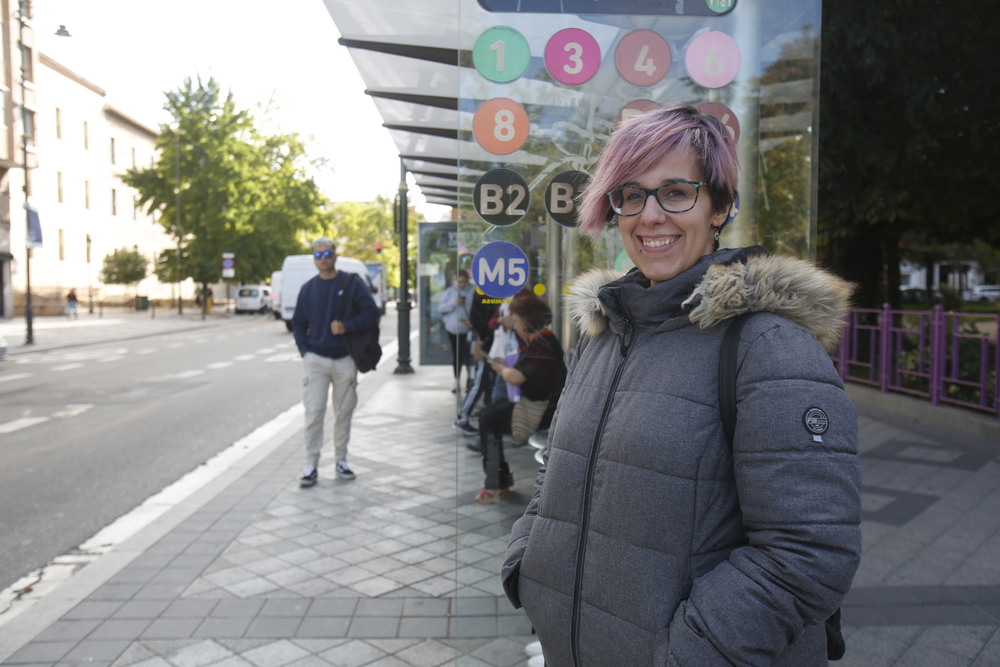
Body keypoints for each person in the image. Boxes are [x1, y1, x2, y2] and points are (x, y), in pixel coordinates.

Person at [502, 106, 861, 664]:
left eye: (676, 192)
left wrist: (686, 652)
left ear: (719, 207)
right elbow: (560, 469)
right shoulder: (604, 334)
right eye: (631, 194)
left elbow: (810, 551)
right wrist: (529, 566)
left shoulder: (767, 346)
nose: (650, 216)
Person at [292, 237, 380, 486]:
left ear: (335, 255)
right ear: (314, 258)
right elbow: (298, 322)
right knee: (314, 412)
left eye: (327, 253)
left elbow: (371, 313)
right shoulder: (308, 289)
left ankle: (341, 460)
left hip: (345, 359)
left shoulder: (351, 284)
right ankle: (311, 464)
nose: (323, 259)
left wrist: (347, 326)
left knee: (343, 413)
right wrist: (305, 351)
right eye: (318, 255)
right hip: (316, 360)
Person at [475, 293, 566, 504]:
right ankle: (498, 479)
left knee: (487, 419)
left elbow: (515, 377)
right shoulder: (540, 340)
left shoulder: (543, 343)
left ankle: (496, 481)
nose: (515, 326)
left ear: (526, 321)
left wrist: (498, 367)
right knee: (489, 416)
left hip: (545, 412)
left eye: (516, 321)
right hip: (539, 406)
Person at [438, 269, 475, 393]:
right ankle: (457, 380)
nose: (462, 285)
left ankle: (470, 380)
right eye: (459, 282)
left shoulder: (473, 291)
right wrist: (454, 303)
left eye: (464, 282)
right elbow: (441, 308)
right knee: (457, 354)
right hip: (453, 328)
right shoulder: (450, 292)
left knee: (469, 355)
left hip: (469, 328)